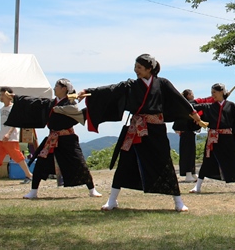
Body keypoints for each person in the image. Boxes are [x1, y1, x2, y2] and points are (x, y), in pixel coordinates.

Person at [78, 54, 202, 212]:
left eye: (139, 68)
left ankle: (178, 202)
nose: (136, 70)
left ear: (149, 69)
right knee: (125, 162)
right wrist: (88, 91)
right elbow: (111, 90)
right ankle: (112, 200)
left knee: (164, 161)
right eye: (135, 67)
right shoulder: (131, 84)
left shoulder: (162, 83)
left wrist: (192, 112)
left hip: (156, 129)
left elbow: (177, 98)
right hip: (136, 129)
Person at [4, 78, 101, 199]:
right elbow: (34, 101)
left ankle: (92, 190)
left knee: (79, 163)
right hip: (53, 139)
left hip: (68, 139)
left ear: (64, 89)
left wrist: (58, 109)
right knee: (40, 164)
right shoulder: (51, 103)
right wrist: (16, 97)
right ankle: (33, 192)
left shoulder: (70, 103)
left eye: (57, 86)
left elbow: (75, 111)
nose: (54, 88)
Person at [188, 83, 235, 194]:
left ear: (221, 92)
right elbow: (190, 105)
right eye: (211, 93)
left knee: (232, 159)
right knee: (207, 161)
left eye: (214, 92)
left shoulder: (231, 106)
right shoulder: (209, 106)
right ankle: (197, 187)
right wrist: (205, 100)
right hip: (213, 138)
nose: (212, 95)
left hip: (227, 137)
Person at [0, 87, 33, 187]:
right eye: (0, 95)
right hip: (1, 137)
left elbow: (16, 122)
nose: (1, 97)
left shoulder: (14, 108)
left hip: (11, 137)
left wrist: (9, 134)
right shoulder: (2, 109)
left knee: (17, 157)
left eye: (2, 95)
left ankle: (29, 175)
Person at [172, 89, 212, 183]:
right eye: (191, 93)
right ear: (188, 95)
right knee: (187, 153)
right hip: (185, 131)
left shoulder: (187, 104)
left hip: (189, 131)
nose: (193, 95)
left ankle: (192, 173)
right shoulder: (186, 105)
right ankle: (188, 173)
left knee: (191, 152)